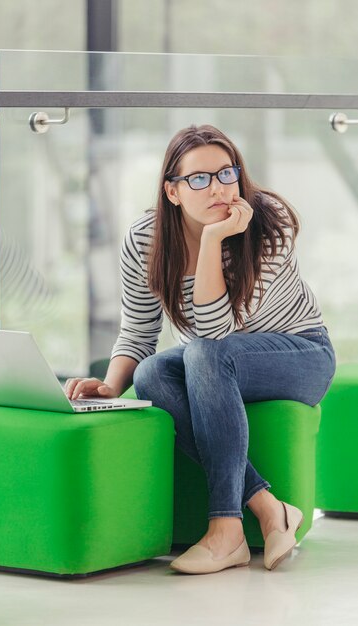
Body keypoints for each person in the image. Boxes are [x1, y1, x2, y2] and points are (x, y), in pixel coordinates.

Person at [65, 124, 336, 575]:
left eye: (226, 174)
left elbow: (216, 333)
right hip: (214, 362)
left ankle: (226, 527)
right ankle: (270, 508)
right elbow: (138, 329)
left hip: (300, 355)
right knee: (151, 374)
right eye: (199, 179)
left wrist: (212, 239)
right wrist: (111, 386)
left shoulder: (270, 223)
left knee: (205, 354)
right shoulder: (146, 238)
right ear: (172, 191)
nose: (218, 189)